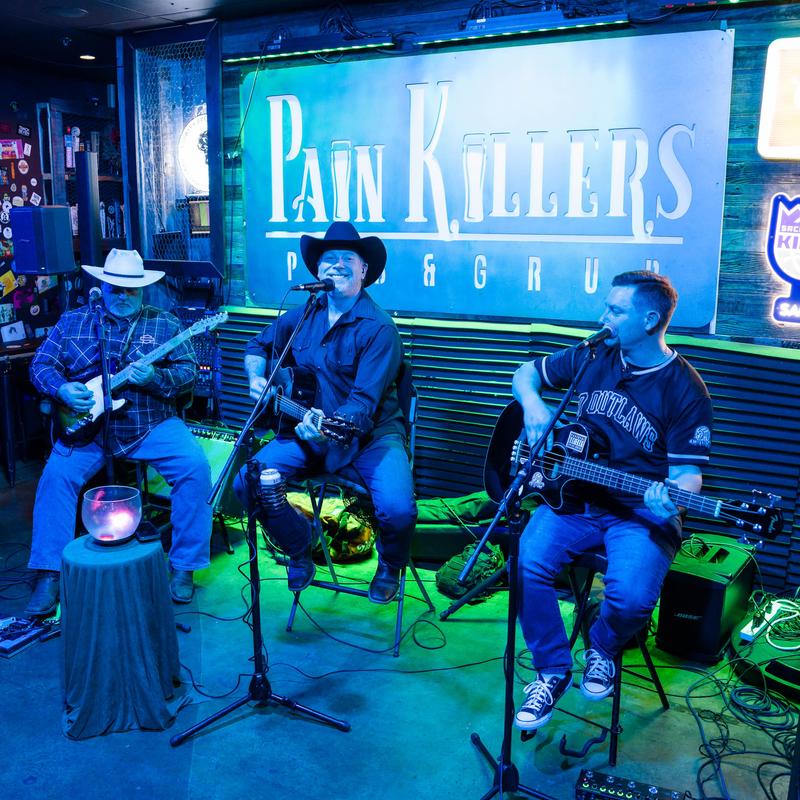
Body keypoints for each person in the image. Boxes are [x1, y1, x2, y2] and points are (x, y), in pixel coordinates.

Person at [512, 270, 713, 730]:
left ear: (648, 319)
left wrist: (675, 502)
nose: (603, 318)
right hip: (574, 496)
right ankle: (551, 669)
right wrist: (535, 406)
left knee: (629, 601)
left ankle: (600, 647)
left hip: (640, 510)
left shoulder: (685, 388)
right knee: (527, 563)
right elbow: (525, 374)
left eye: (615, 310)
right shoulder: (593, 354)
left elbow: (687, 475)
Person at [235, 221, 417, 603]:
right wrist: (256, 379)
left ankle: (391, 565)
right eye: (328, 259)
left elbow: (362, 405)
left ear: (364, 270)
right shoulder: (304, 315)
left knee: (398, 511)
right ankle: (300, 546)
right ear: (318, 271)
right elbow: (256, 345)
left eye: (347, 258)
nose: (336, 265)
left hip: (371, 438)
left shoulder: (379, 329)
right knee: (246, 483)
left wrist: (324, 428)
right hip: (308, 433)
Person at [25, 249, 213, 616]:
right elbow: (41, 364)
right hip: (88, 430)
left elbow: (190, 373)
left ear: (143, 291)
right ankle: (48, 575)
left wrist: (156, 378)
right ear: (102, 286)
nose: (123, 296)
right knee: (55, 478)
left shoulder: (165, 325)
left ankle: (184, 567)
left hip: (149, 423)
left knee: (195, 468)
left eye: (132, 290)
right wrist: (61, 389)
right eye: (116, 289)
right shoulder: (74, 322)